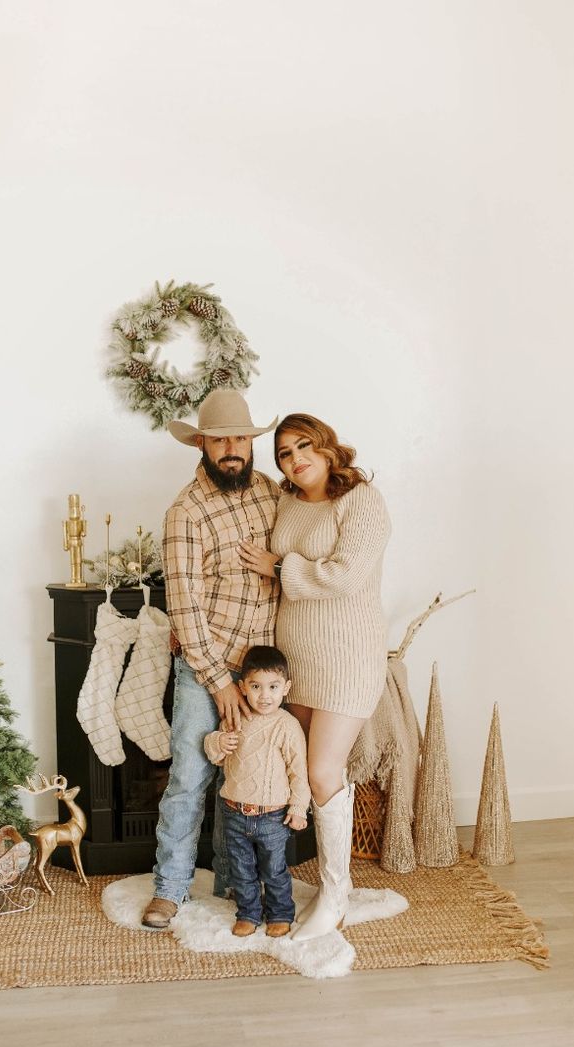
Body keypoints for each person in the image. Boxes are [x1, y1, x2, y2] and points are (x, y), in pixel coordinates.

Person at [238, 413, 391, 941]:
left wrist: (280, 568)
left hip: (348, 656)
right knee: (302, 771)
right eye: (284, 452)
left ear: (328, 449)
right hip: (294, 659)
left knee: (324, 772)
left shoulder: (360, 499)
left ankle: (335, 896)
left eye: (305, 446)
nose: (296, 458)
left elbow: (347, 575)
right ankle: (308, 884)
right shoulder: (285, 503)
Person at [141, 389, 280, 929]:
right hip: (207, 668)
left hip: (264, 674)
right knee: (191, 778)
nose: (232, 449)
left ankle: (233, 883)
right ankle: (170, 889)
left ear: (251, 443)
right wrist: (220, 681)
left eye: (241, 438)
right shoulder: (186, 512)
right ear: (200, 444)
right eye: (220, 439)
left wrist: (279, 565)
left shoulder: (271, 494)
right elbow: (185, 607)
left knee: (248, 780)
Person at [203, 645, 310, 938]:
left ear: (286, 688)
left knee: (274, 870)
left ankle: (279, 913)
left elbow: (299, 771)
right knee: (242, 869)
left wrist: (299, 809)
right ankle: (248, 913)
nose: (265, 695)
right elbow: (217, 755)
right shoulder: (235, 718)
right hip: (234, 812)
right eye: (256, 686)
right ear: (243, 688)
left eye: (273, 687)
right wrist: (217, 742)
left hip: (272, 817)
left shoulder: (287, 726)